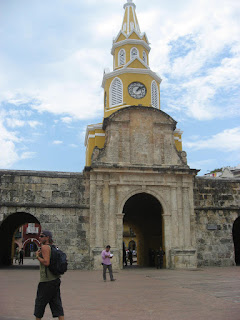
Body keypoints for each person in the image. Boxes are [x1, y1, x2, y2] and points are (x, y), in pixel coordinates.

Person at [34, 230, 64, 320]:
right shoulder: (54, 248)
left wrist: (37, 257)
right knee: (57, 305)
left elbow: (46, 262)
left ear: (47, 237)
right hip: (55, 280)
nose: (39, 238)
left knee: (39, 305)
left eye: (42, 236)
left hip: (46, 281)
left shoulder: (45, 247)